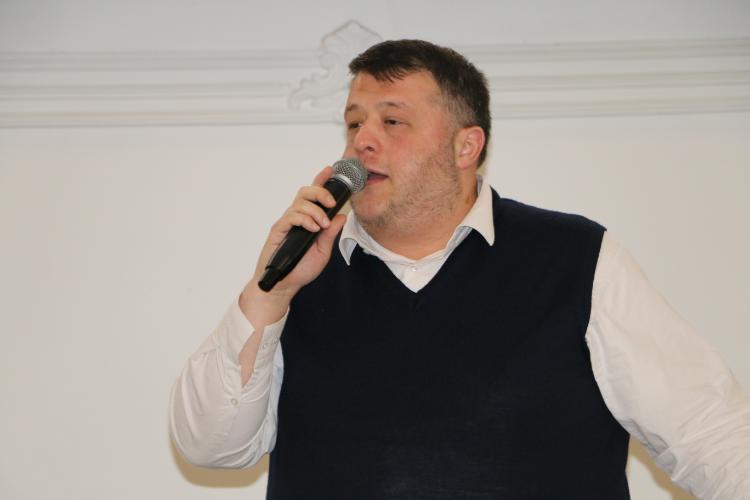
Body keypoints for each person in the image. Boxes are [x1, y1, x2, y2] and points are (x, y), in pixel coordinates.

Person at [169, 40, 750, 499]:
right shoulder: (300, 276)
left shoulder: (576, 258)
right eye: (354, 123)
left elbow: (713, 434)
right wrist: (269, 293)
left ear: (466, 147)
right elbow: (210, 445)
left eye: (392, 122)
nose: (362, 142)